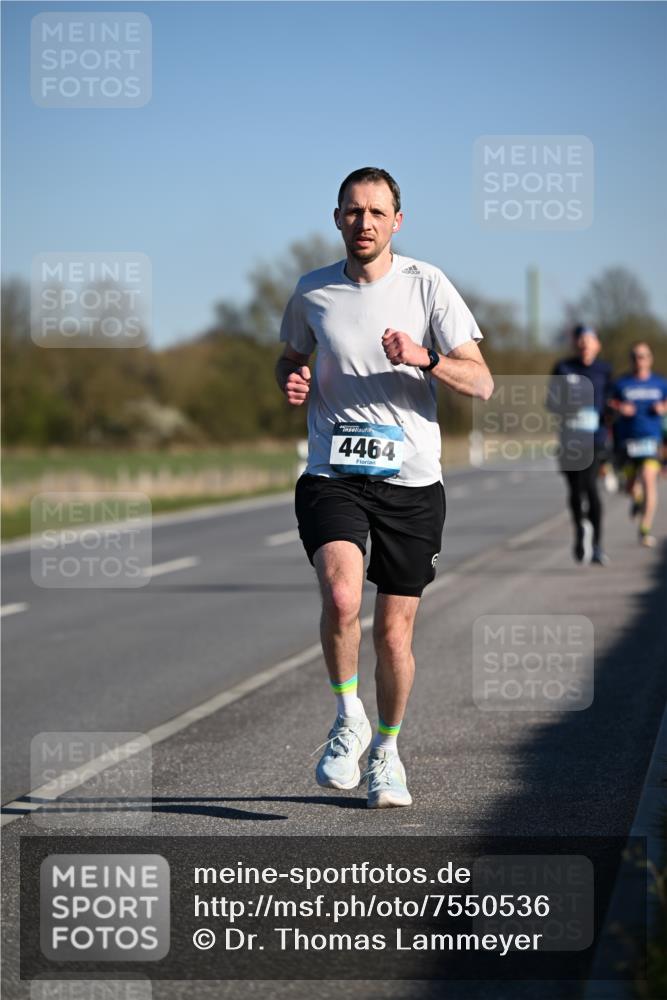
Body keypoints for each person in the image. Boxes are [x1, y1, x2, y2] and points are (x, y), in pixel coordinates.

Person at [275, 167, 492, 808]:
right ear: (336, 217)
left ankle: (388, 754)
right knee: (342, 597)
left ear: (397, 220)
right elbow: (291, 356)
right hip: (332, 472)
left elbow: (481, 382)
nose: (363, 222)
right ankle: (349, 719)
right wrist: (292, 379)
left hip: (412, 481)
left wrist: (425, 357)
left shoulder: (428, 286)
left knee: (394, 635)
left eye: (376, 211)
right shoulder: (311, 292)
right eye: (352, 211)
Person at [549, 325, 613, 565]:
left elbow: (611, 402)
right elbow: (551, 401)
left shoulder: (605, 370)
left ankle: (597, 545)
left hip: (594, 440)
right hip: (569, 439)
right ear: (576, 344)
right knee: (575, 491)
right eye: (582, 340)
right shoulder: (563, 368)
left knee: (590, 488)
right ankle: (580, 530)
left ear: (598, 345)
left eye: (590, 340)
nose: (585, 345)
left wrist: (611, 411)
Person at [609, 342, 667, 548]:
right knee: (631, 486)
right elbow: (608, 403)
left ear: (650, 359)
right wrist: (619, 407)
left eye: (643, 356)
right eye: (635, 356)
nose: (639, 359)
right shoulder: (621, 384)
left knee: (649, 481)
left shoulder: (660, 383)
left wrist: (663, 407)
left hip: (651, 441)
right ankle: (637, 499)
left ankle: (645, 529)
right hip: (627, 442)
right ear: (631, 359)